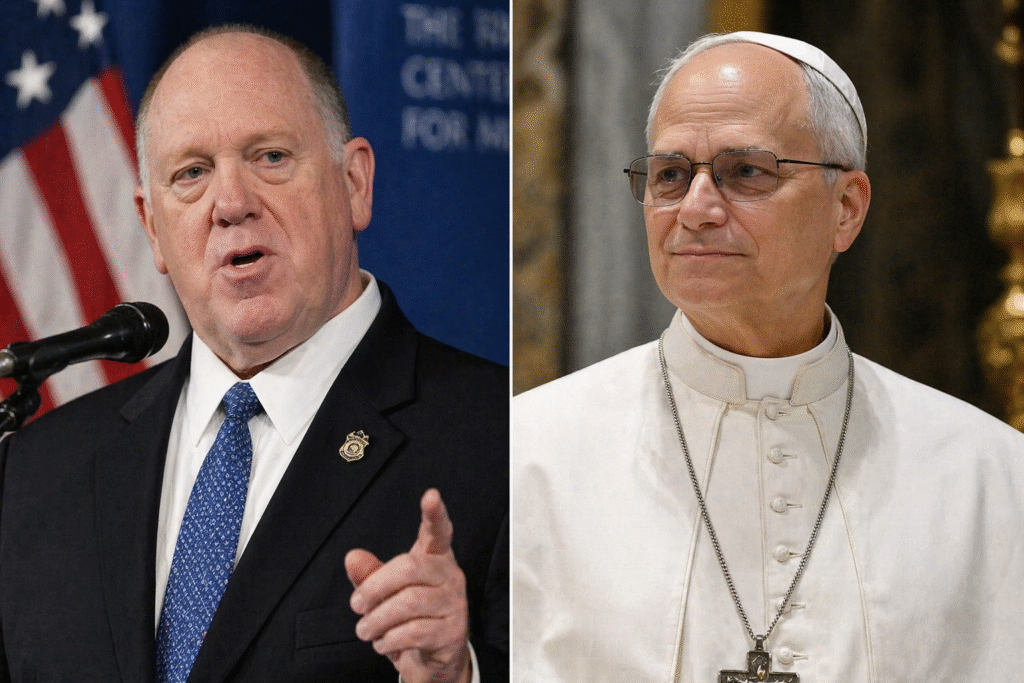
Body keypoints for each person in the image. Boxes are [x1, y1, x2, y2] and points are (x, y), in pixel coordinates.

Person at [0, 25, 507, 683]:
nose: (231, 204)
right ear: (153, 228)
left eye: (269, 156)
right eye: (191, 173)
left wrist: (457, 674)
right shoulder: (37, 473)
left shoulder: (501, 437)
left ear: (354, 183)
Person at [513, 31, 1024, 682]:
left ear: (846, 208)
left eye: (745, 172)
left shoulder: (991, 478)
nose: (695, 209)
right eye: (670, 175)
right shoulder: (528, 453)